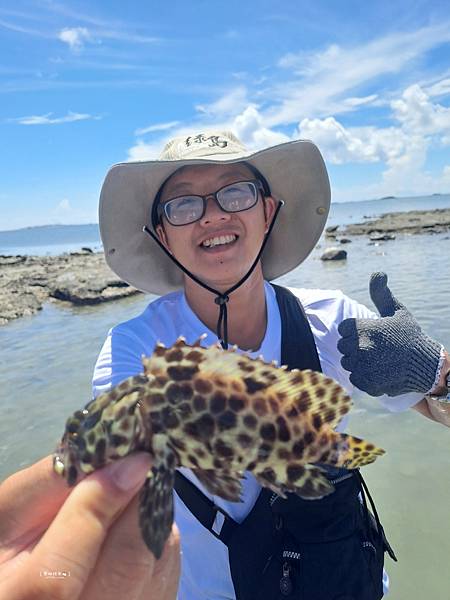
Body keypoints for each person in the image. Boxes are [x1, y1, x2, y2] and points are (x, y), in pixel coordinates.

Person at [0, 130, 448, 600]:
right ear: (163, 235)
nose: (213, 214)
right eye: (183, 205)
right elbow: (118, 474)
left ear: (268, 211)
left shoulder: (335, 320)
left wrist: (434, 376)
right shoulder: (133, 347)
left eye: (237, 193)